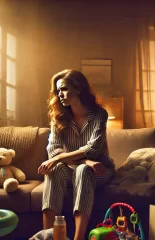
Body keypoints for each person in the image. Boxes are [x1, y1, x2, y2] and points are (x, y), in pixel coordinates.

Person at [38, 69, 116, 240]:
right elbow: (53, 149)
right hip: (74, 168)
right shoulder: (58, 118)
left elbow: (93, 149)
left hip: (100, 170)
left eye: (64, 89)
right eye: (58, 91)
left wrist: (60, 158)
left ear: (78, 89)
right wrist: (85, 161)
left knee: (83, 171)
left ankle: (78, 238)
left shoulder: (99, 115)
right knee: (54, 170)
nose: (60, 94)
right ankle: (48, 237)